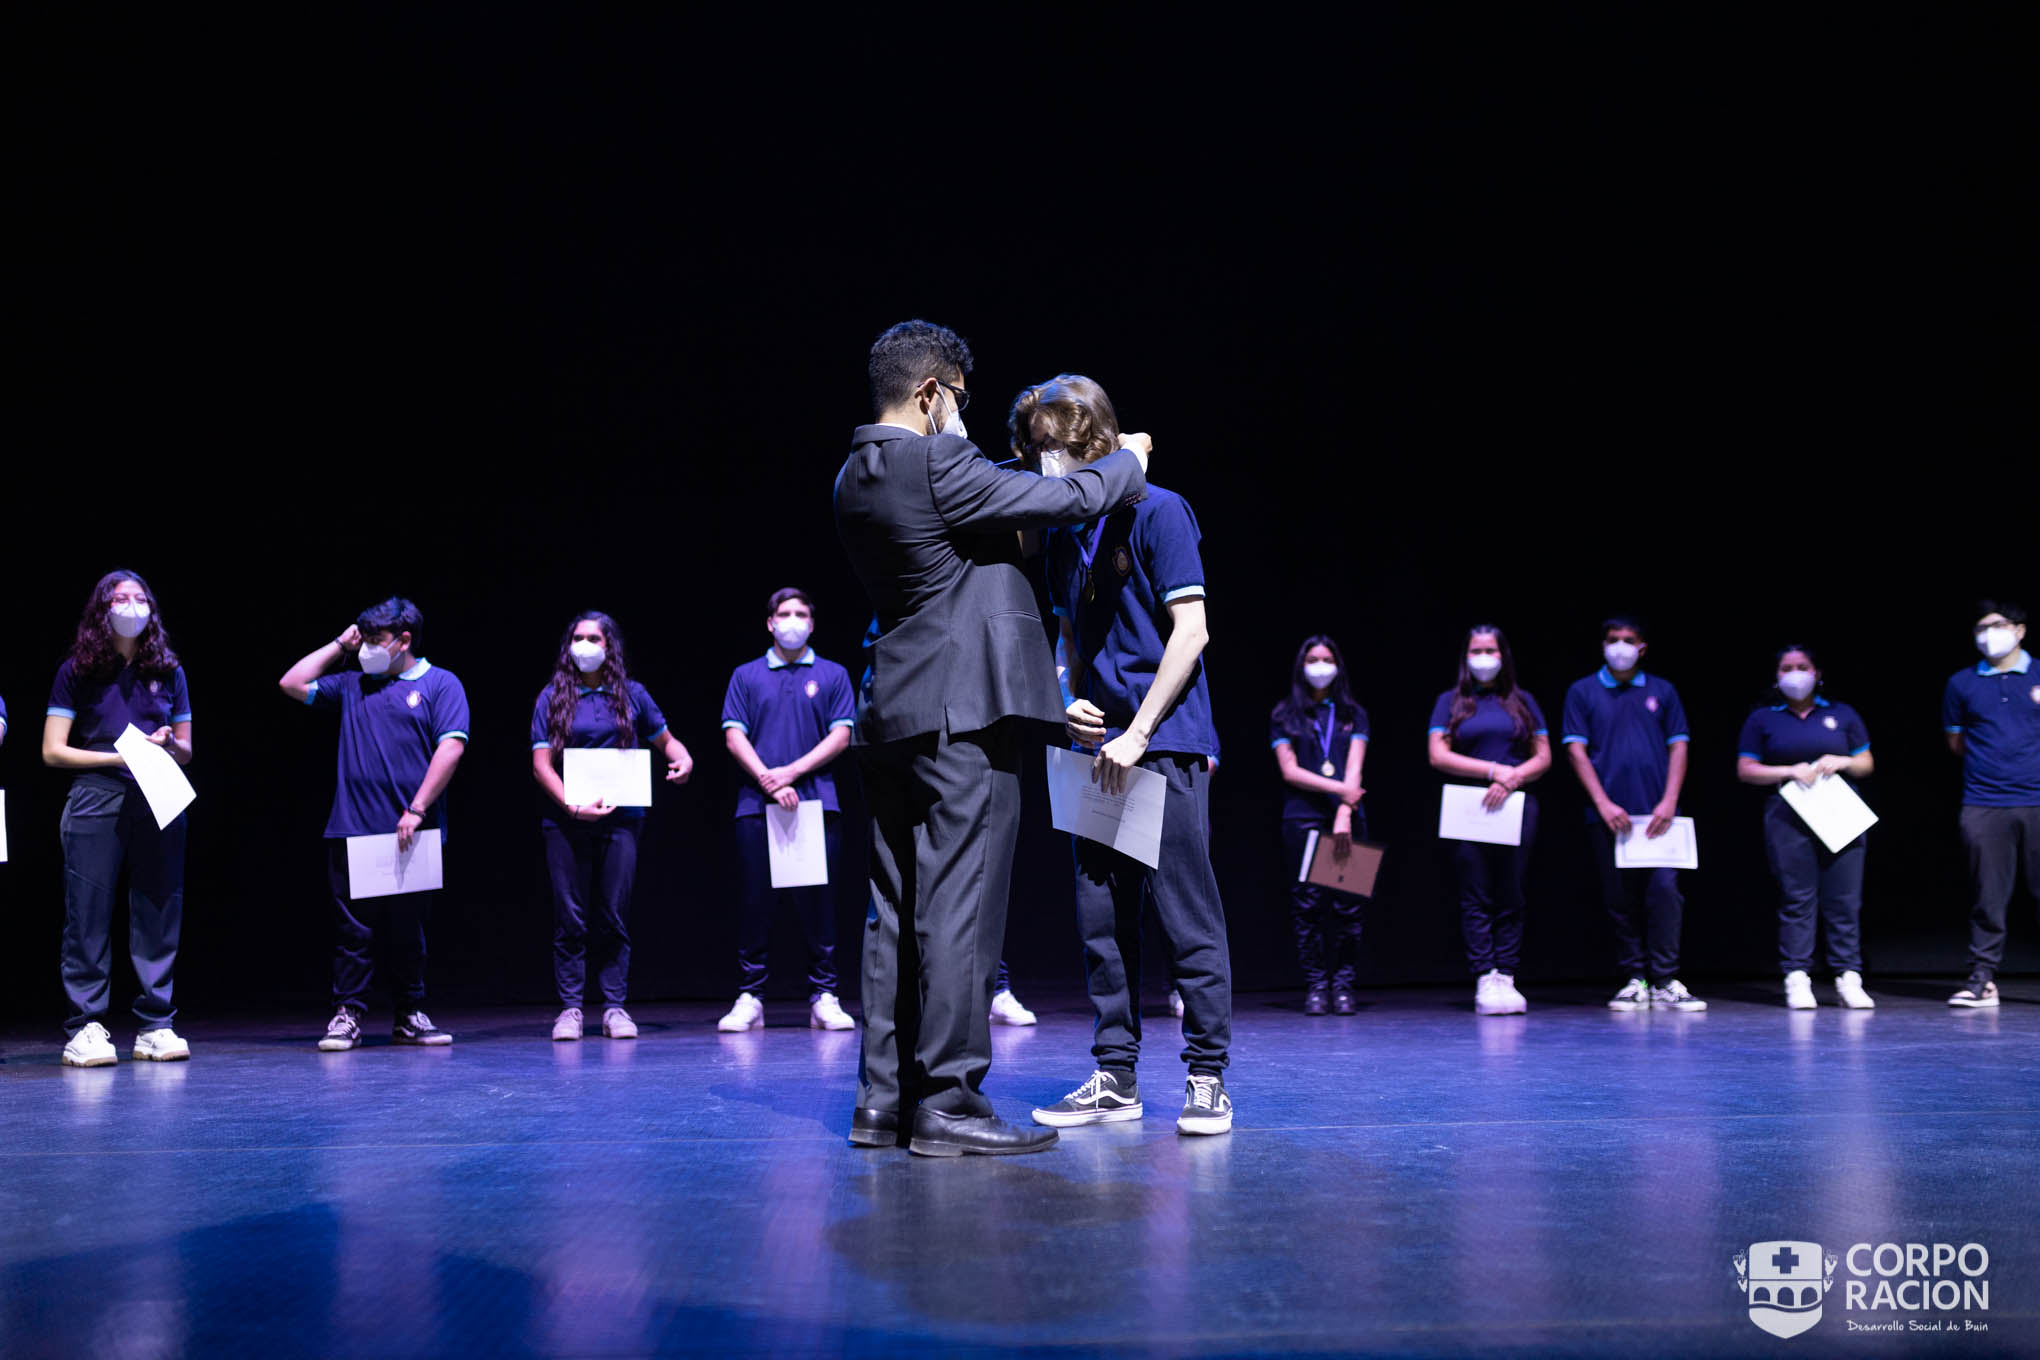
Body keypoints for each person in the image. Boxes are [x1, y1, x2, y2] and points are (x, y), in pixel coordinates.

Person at [833, 321, 1148, 1157]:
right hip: (961, 716)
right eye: (960, 399)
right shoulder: (938, 460)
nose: (963, 416)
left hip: (893, 712)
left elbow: (985, 508)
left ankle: (883, 1102)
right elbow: (1069, 500)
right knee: (960, 908)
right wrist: (1129, 460)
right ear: (930, 393)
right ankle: (950, 1102)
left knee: (894, 910)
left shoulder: (853, 474)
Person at [1017, 374, 1234, 1138]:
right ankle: (1115, 1076)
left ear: (1090, 441)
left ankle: (1207, 1076)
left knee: (1185, 913)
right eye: (1035, 449)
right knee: (1102, 919)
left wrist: (1138, 731)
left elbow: (1192, 632)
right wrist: (1062, 696)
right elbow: (1067, 639)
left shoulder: (1158, 510)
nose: (1043, 462)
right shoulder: (1064, 534)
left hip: (1161, 740)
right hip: (1096, 746)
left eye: (1051, 447)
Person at [280, 597, 469, 1051]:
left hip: (412, 830)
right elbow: (291, 683)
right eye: (362, 639)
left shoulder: (440, 684)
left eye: (375, 640)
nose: (366, 647)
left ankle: (409, 1014)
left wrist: (417, 808)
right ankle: (348, 1014)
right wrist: (339, 644)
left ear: (403, 641)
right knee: (352, 933)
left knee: (408, 931)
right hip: (354, 827)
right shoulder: (353, 685)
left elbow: (451, 748)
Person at [43, 571, 193, 1066]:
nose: (131, 605)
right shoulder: (77, 669)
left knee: (159, 909)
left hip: (159, 793)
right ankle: (85, 1025)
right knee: (87, 913)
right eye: (120, 598)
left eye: (140, 597)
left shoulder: (169, 670)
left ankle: (156, 1023)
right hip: (97, 794)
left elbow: (187, 749)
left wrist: (168, 744)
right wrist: (117, 757)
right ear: (102, 608)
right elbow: (53, 750)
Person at [531, 611, 693, 1042]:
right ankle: (570, 1008)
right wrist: (572, 805)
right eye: (577, 638)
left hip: (622, 820)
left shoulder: (631, 694)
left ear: (609, 646)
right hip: (566, 822)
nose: (584, 646)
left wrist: (682, 758)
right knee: (570, 916)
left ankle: (614, 1007)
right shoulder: (552, 696)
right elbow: (541, 764)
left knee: (613, 913)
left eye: (593, 638)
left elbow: (666, 740)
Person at [717, 587, 857, 1033]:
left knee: (818, 905)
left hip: (815, 803)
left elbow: (841, 735)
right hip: (756, 806)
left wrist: (791, 773)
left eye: (800, 614)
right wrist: (767, 779)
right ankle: (750, 996)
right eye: (784, 613)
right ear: (770, 623)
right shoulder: (746, 675)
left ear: (811, 624)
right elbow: (734, 735)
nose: (792, 620)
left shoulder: (832, 674)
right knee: (756, 903)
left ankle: (824, 995)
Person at [1561, 617, 1705, 1011]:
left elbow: (1679, 745)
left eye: (1628, 640)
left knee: (1665, 892)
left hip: (1659, 816)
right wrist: (1603, 803)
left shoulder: (1663, 690)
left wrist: (1670, 800)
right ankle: (1634, 977)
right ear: (1603, 645)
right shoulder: (1583, 691)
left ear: (1642, 647)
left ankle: (1666, 979)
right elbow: (1576, 751)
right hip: (1610, 816)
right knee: (1619, 897)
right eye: (1613, 639)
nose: (1620, 646)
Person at [1735, 646, 1875, 1010]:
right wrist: (1788, 771)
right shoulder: (1763, 718)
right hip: (1788, 815)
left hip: (1839, 812)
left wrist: (1842, 761)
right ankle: (1797, 976)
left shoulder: (1841, 713)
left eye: (1802, 666)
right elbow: (1746, 769)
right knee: (1798, 897)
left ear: (1817, 673)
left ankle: (1848, 976)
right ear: (1776, 676)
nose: (1795, 674)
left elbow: (1866, 762)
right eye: (1786, 668)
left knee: (1844, 898)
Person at [1427, 625, 1551, 1015]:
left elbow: (1543, 755)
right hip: (1469, 807)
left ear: (1503, 655)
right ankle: (1485, 974)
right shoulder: (1450, 701)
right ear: (1466, 657)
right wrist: (1493, 771)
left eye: (1490, 651)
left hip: (1516, 805)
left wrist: (1514, 777)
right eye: (1476, 651)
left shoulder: (1523, 701)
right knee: (1476, 891)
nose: (1484, 658)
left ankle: (1507, 975)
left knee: (1511, 890)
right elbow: (1437, 754)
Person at [1942, 601, 2040, 1008]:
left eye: (1997, 625)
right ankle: (1982, 979)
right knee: (1988, 895)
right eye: (1981, 628)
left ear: (2020, 630)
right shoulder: (1962, 683)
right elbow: (1956, 741)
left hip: (2037, 799)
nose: (1988, 634)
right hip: (1985, 801)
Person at [1269, 636, 1369, 1015]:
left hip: (1347, 819)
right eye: (1313, 659)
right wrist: (1344, 791)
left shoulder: (1353, 714)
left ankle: (1343, 986)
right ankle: (1316, 985)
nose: (1320, 666)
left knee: (1348, 908)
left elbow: (1355, 768)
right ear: (1302, 666)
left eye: (1327, 659)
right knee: (1308, 905)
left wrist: (1344, 812)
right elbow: (1290, 771)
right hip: (1303, 819)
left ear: (1338, 666)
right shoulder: (1284, 714)